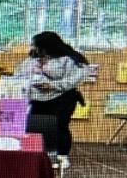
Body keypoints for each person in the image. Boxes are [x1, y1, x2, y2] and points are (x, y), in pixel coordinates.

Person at [14, 31, 88, 169]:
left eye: (36, 45)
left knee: (60, 125)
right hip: (37, 98)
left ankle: (62, 156)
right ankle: (41, 154)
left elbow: (74, 79)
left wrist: (52, 85)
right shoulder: (32, 59)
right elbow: (19, 73)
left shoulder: (69, 59)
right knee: (37, 125)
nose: (33, 47)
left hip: (62, 98)